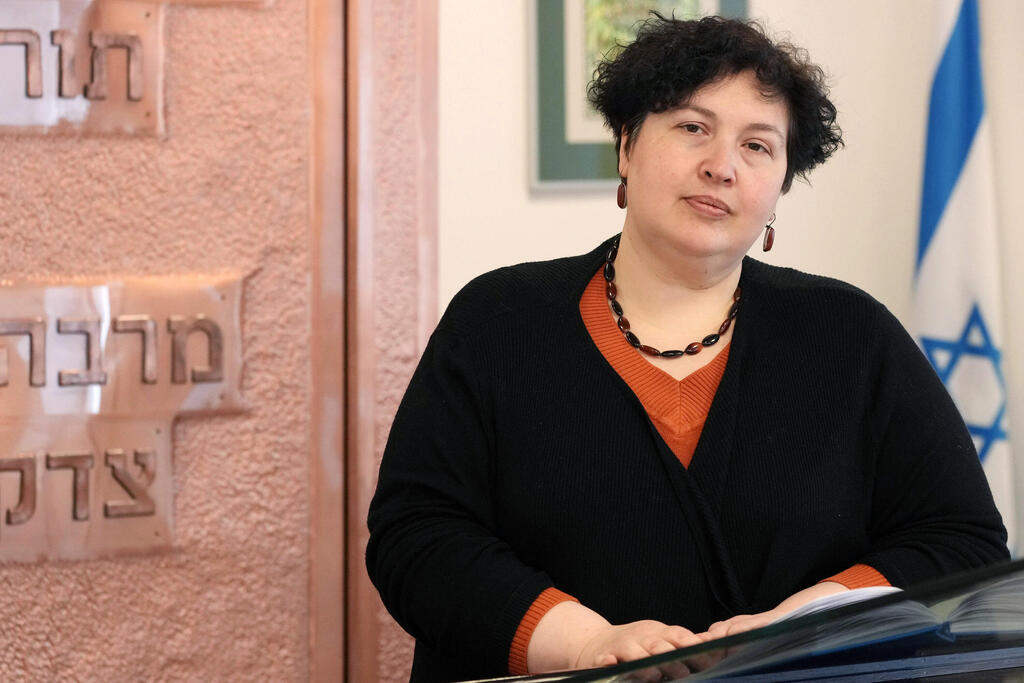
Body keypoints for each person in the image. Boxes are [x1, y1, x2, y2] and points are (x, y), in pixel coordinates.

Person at [366, 14, 1009, 683]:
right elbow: (418, 537)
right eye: (693, 128)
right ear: (626, 146)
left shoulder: (854, 335)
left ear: (781, 186)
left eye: (757, 146)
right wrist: (587, 645)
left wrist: (804, 627)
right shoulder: (497, 321)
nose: (720, 167)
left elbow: (961, 543)